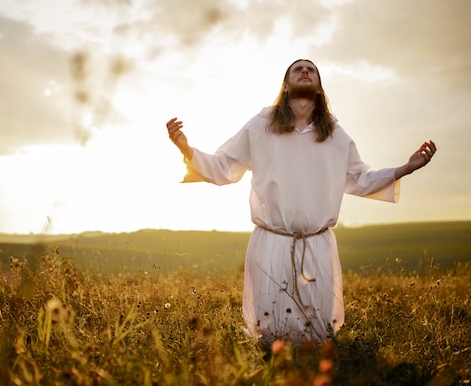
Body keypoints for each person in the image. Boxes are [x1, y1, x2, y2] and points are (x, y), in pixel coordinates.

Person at [166, 59, 436, 344]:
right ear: (285, 86)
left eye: (311, 70)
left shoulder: (334, 135)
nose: (305, 71)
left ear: (319, 89)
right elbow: (224, 166)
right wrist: (186, 148)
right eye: (298, 69)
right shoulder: (261, 127)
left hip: (317, 245)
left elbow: (361, 177)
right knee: (272, 334)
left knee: (317, 336)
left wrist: (406, 168)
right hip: (272, 243)